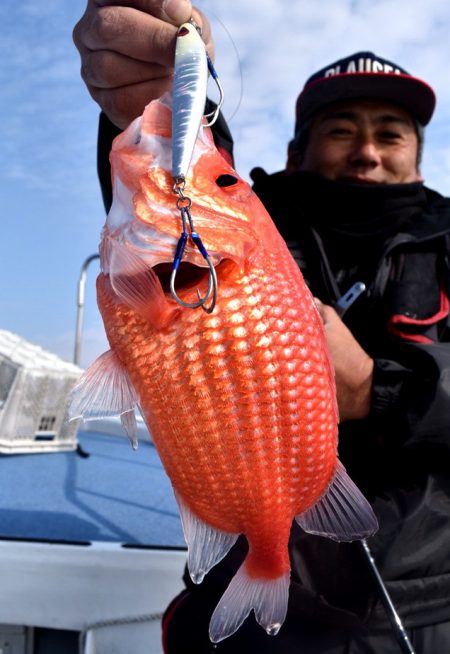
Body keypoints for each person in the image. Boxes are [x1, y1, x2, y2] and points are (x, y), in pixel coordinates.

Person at [74, 3, 450, 652]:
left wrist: (380, 388)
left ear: (417, 156)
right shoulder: (254, 219)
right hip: (246, 617)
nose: (366, 150)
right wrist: (162, 94)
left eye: (390, 133)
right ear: (295, 150)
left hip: (431, 606)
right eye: (341, 130)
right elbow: (185, 177)